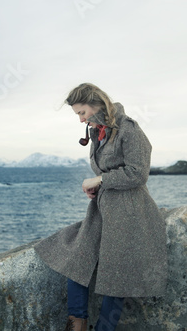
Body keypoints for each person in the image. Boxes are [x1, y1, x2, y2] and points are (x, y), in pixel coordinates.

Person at [33, 83, 167, 331]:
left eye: (81, 113)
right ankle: (77, 323)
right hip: (103, 210)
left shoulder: (130, 130)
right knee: (77, 256)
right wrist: (97, 186)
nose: (80, 119)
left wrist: (101, 180)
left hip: (131, 213)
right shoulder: (97, 132)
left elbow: (138, 174)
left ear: (96, 104)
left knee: (118, 275)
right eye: (78, 115)